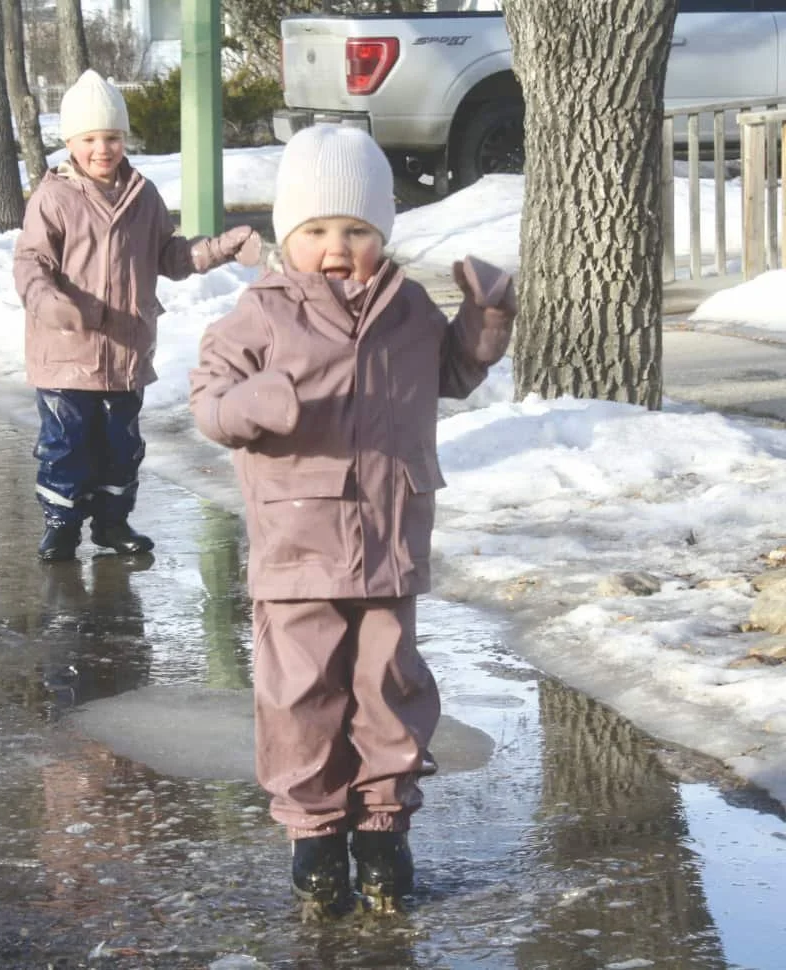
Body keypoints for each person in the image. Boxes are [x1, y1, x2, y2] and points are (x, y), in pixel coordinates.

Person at [188, 124, 516, 913]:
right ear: (287, 236)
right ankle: (313, 837)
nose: (339, 247)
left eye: (358, 230)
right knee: (302, 696)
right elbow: (208, 400)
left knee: (389, 688)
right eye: (318, 231)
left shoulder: (406, 310)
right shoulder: (261, 314)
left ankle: (382, 833)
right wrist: (251, 404)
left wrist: (486, 315)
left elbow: (453, 372)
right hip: (298, 546)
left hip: (390, 540)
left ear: (384, 233)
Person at [13, 69, 260, 562]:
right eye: (90, 139)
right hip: (67, 354)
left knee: (121, 447)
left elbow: (169, 256)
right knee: (67, 444)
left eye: (113, 137)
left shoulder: (142, 197)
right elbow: (30, 263)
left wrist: (225, 247)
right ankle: (61, 526)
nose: (102, 149)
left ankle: (112, 522)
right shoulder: (53, 198)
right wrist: (50, 303)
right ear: (70, 142)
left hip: (125, 353)